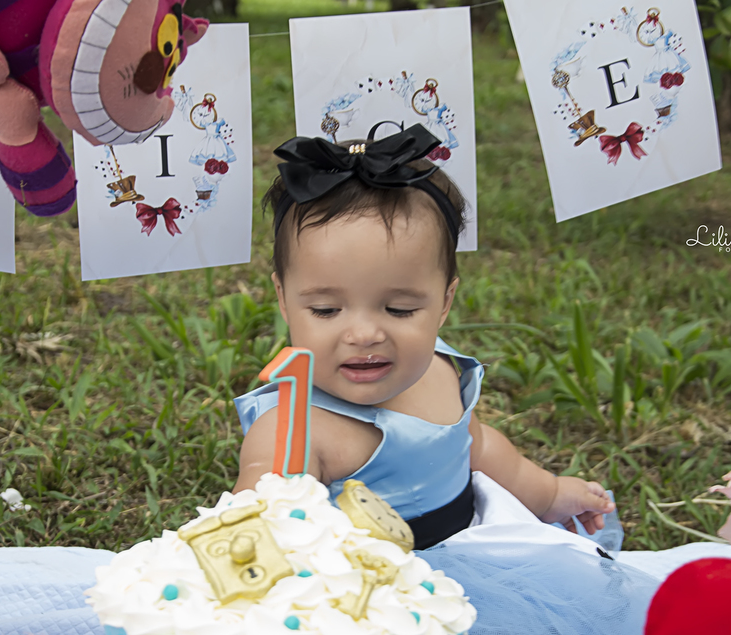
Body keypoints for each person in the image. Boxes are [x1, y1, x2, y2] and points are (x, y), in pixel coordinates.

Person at [233, 124, 614, 549]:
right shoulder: (293, 430)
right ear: (284, 300)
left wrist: (551, 495)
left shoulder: (438, 369)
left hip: (477, 554)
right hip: (372, 598)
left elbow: (478, 447)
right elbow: (253, 519)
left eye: (400, 309)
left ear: (445, 301)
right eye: (325, 309)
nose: (363, 334)